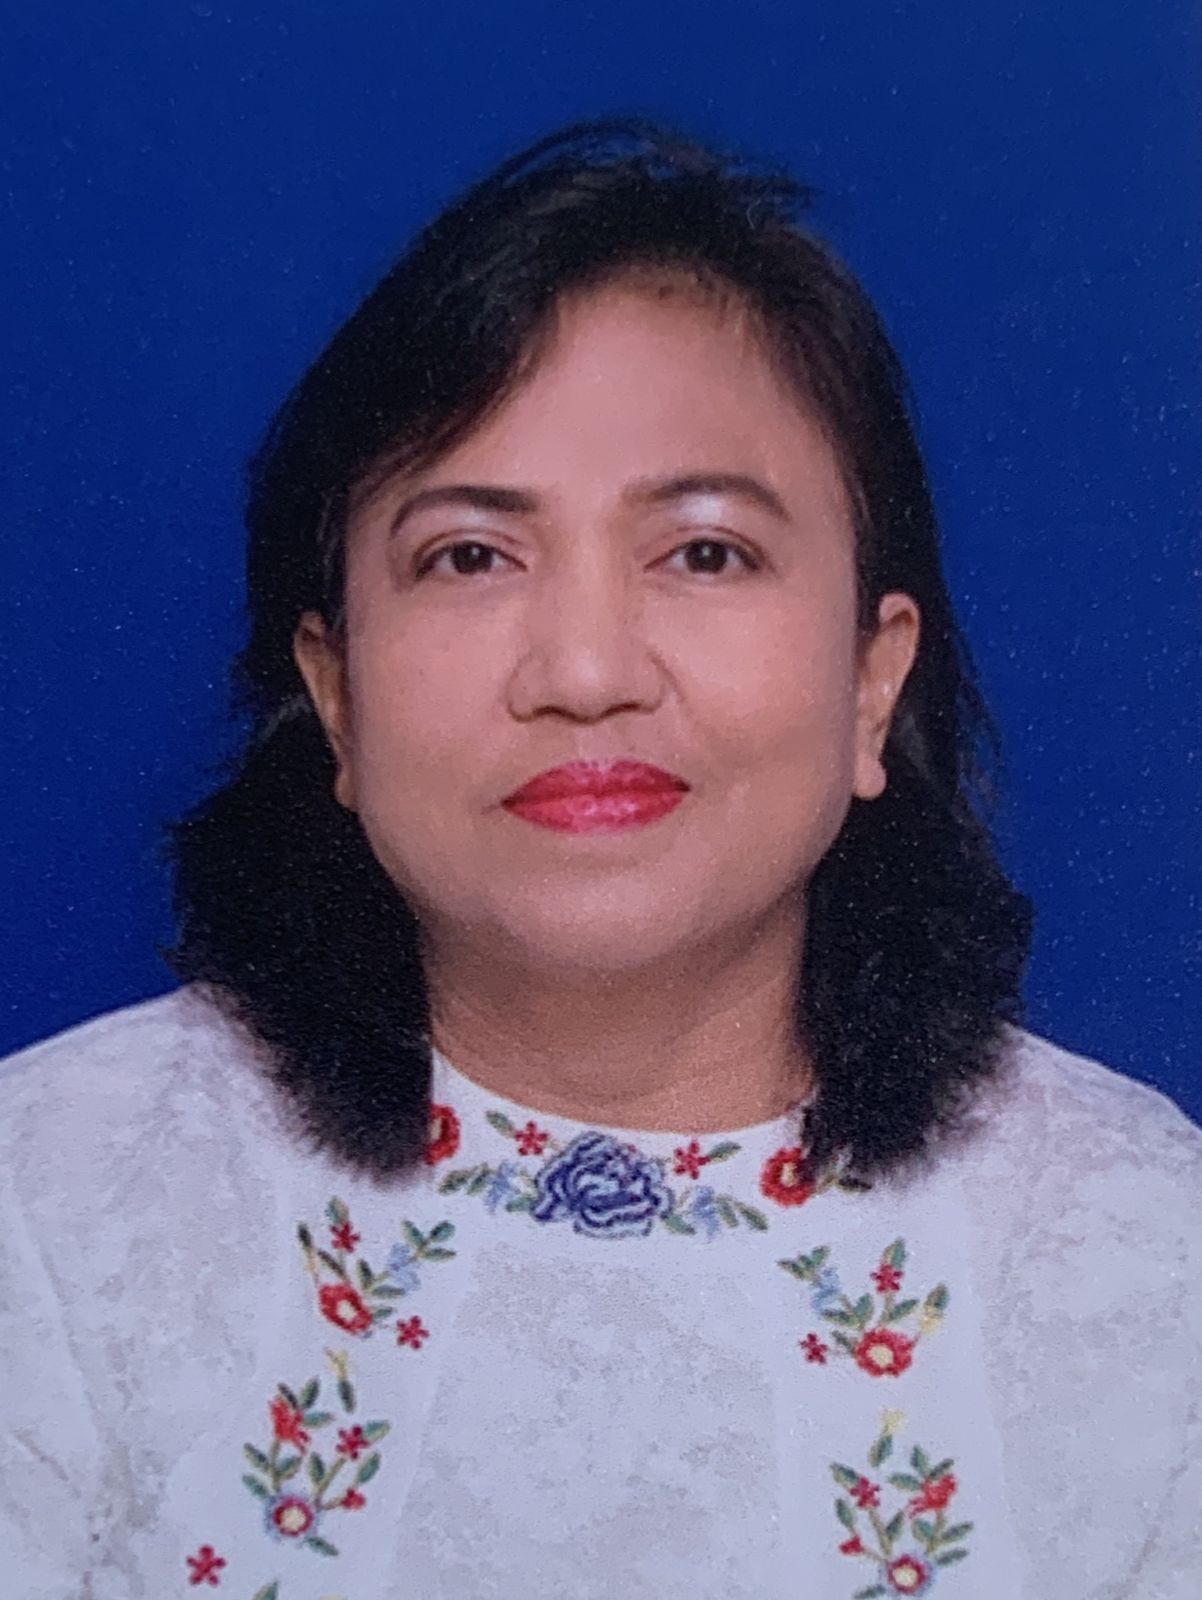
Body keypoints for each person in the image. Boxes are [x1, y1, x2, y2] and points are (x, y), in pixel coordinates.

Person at [1, 118, 1198, 1600]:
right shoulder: (49, 1212)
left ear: (870, 680)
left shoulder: (1151, 1259)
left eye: (704, 551)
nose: (582, 671)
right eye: (469, 555)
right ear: (336, 697)